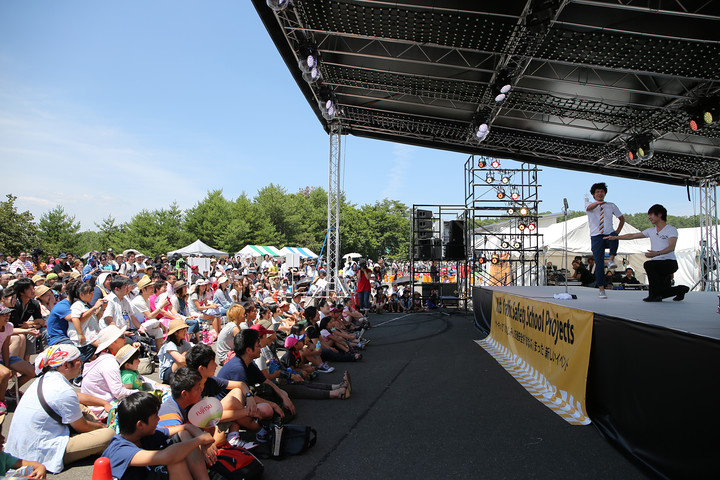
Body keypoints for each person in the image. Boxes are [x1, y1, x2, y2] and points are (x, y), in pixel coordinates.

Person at [5, 345, 115, 473]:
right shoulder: (62, 390)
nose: (81, 363)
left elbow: (76, 397)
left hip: (23, 444)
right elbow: (82, 426)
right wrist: (102, 427)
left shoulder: (46, 379)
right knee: (109, 435)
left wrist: (103, 403)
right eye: (78, 360)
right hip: (40, 450)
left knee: (80, 407)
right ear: (66, 365)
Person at [102, 391, 214, 480]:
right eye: (155, 417)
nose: (159, 419)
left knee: (184, 435)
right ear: (140, 425)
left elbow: (185, 428)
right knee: (175, 461)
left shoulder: (142, 435)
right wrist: (199, 440)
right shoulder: (120, 450)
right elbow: (167, 456)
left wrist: (203, 438)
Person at [607, 204, 689, 302]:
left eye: (651, 214)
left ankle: (653, 295)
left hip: (669, 262)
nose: (649, 217)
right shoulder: (651, 231)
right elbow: (632, 236)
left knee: (649, 265)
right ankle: (681, 289)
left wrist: (657, 253)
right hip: (657, 263)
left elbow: (671, 247)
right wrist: (616, 237)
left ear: (660, 215)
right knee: (662, 292)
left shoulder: (671, 229)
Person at [586, 182, 625, 299]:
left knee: (614, 236)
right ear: (593, 194)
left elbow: (622, 219)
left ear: (605, 193)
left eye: (602, 191)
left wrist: (617, 231)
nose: (600, 193)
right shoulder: (589, 203)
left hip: (608, 233)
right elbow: (589, 208)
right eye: (597, 192)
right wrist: (598, 203)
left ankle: (611, 260)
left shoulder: (611, 205)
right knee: (599, 264)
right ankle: (601, 289)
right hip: (596, 236)